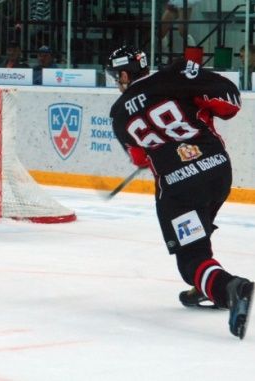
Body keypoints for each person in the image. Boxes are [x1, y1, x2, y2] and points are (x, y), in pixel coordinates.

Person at [106, 45, 254, 339]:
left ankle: (228, 287)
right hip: (217, 170)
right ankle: (205, 283)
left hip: (179, 185)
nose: (117, 82)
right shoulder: (174, 76)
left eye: (116, 76)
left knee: (190, 259)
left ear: (125, 73)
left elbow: (139, 158)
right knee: (198, 233)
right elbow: (229, 103)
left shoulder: (119, 113)